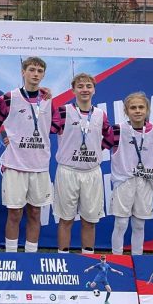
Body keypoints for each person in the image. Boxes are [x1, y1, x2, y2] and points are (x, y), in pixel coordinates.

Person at [0, 57, 53, 253]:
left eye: (39, 70)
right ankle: (11, 256)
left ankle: (31, 257)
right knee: (14, 213)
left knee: (35, 212)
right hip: (15, 164)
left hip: (39, 166)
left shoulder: (48, 100)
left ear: (43, 74)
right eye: (31, 69)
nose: (35, 73)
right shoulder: (9, 98)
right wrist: (4, 135)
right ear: (23, 72)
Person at [52, 72, 113, 254]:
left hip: (91, 172)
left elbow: (109, 137)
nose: (84, 90)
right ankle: (63, 257)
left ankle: (89, 258)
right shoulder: (64, 111)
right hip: (68, 171)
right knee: (66, 219)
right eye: (80, 86)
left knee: (90, 220)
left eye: (88, 86)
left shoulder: (101, 114)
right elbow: (46, 130)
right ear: (73, 90)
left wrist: (94, 152)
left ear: (94, 90)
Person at [109, 92, 153, 255]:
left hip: (146, 182)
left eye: (141, 107)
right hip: (124, 181)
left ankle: (137, 258)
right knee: (121, 223)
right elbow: (99, 144)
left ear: (147, 110)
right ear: (126, 111)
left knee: (139, 224)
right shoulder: (118, 130)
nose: (137, 111)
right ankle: (117, 257)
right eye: (133, 108)